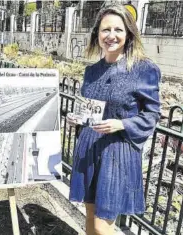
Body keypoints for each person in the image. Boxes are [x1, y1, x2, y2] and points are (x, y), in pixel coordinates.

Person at [67, 4, 161, 235]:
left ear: (129, 33)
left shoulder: (143, 69)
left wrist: (122, 124)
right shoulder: (92, 71)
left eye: (118, 30)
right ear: (97, 34)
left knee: (103, 224)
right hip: (89, 148)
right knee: (89, 216)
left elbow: (152, 114)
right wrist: (76, 118)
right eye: (105, 29)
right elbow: (91, 110)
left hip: (117, 152)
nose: (111, 36)